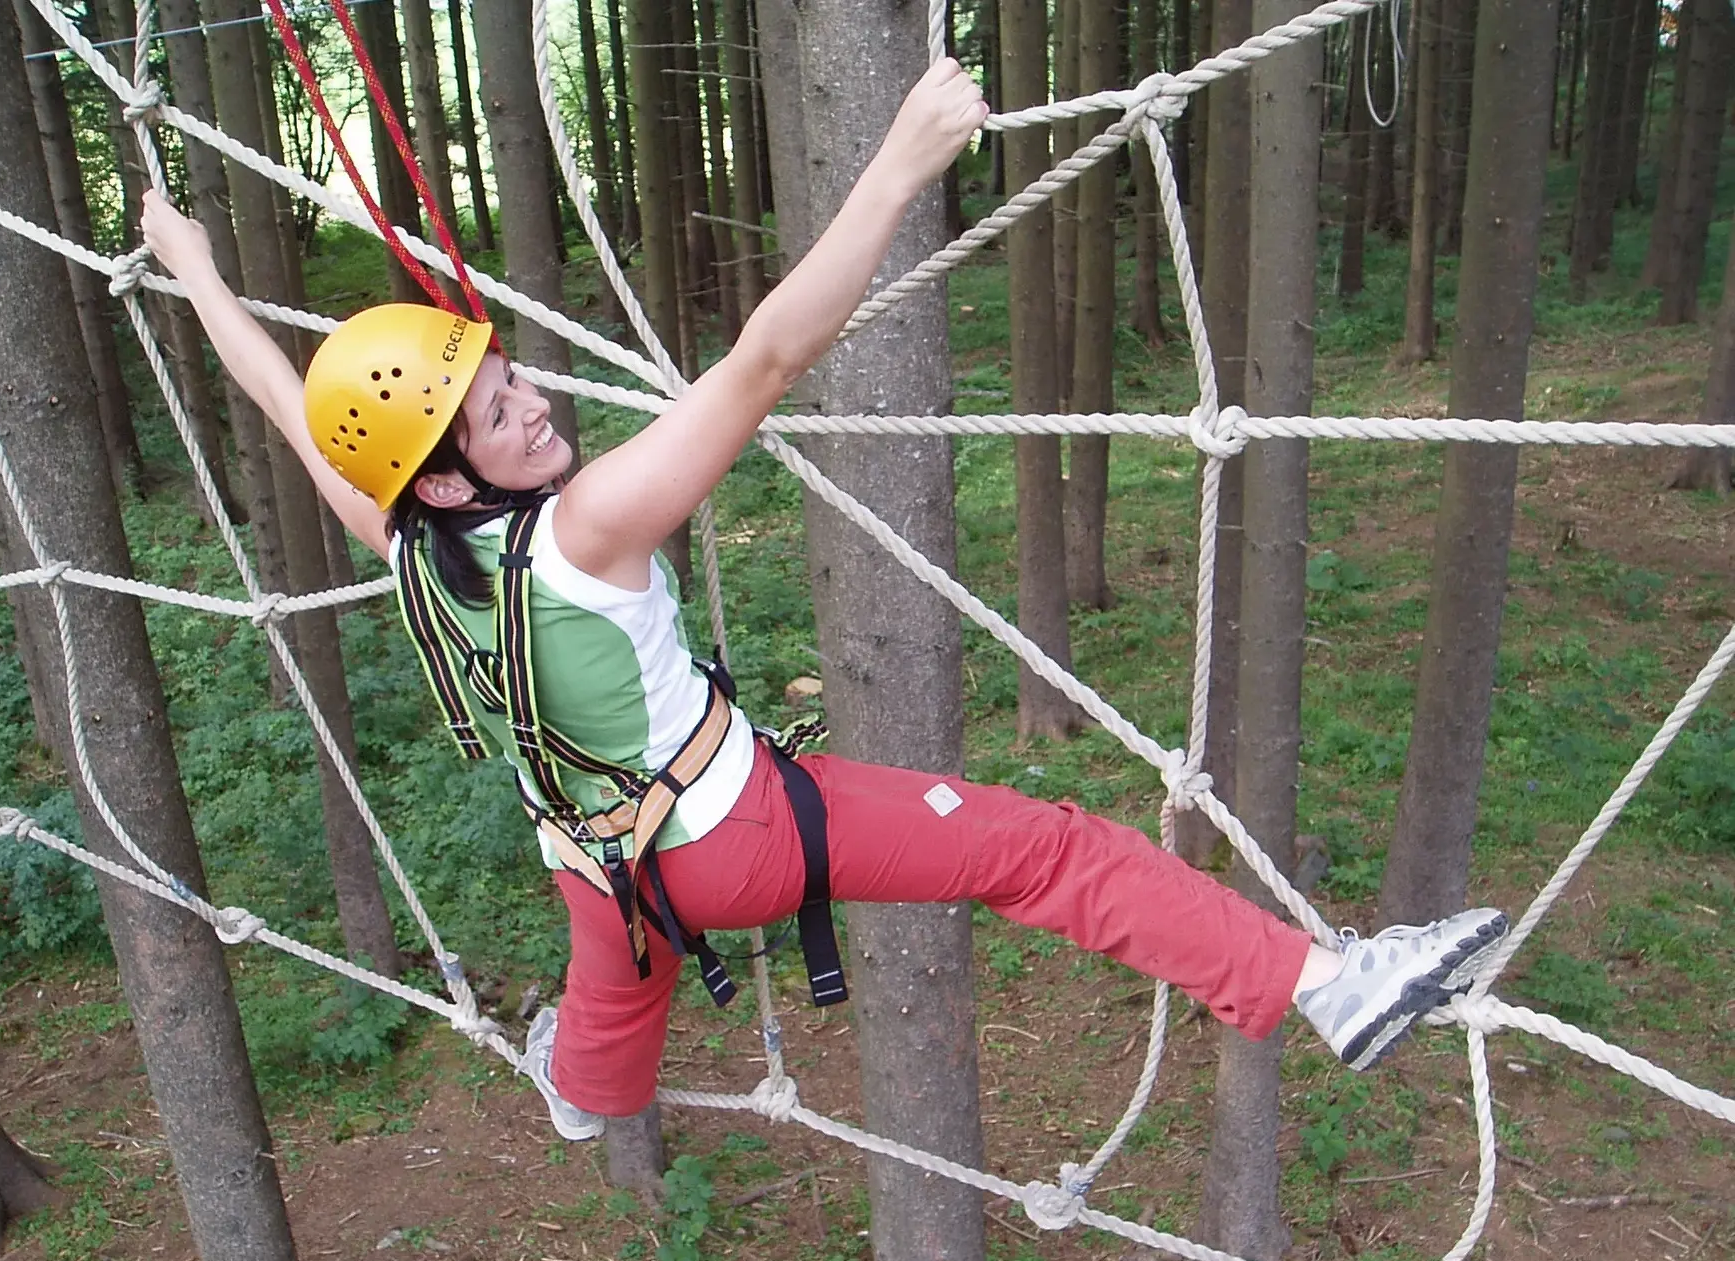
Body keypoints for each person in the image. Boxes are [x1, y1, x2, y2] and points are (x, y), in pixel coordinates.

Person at [141, 58, 1508, 1143]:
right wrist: (904, 163)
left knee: (615, 992)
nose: (540, 406)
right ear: (445, 480)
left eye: (517, 384)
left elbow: (285, 400)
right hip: (734, 834)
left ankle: (585, 1089)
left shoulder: (396, 531)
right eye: (503, 414)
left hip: (600, 862)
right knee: (1046, 848)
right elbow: (767, 357)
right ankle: (1332, 990)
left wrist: (197, 270)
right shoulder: (589, 525)